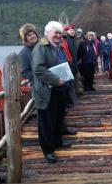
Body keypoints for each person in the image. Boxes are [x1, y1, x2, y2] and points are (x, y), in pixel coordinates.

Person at [32, 21, 72, 163]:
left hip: (60, 90)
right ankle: (48, 150)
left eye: (60, 33)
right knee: (46, 122)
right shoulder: (41, 47)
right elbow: (38, 69)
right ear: (47, 32)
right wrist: (56, 80)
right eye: (56, 32)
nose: (58, 35)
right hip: (47, 91)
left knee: (58, 119)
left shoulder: (59, 47)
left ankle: (58, 142)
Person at [65, 24, 84, 96]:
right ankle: (74, 94)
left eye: (73, 30)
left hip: (75, 62)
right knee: (73, 79)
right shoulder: (67, 40)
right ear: (67, 31)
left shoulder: (74, 39)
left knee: (77, 78)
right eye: (70, 30)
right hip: (71, 63)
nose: (72, 32)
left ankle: (78, 92)